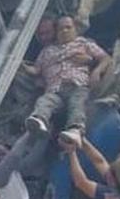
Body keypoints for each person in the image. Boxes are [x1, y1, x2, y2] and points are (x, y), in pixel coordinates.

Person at [24, 16, 112, 148]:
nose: (64, 31)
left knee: (77, 104)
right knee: (44, 102)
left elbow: (105, 58)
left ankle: (75, 130)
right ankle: (39, 120)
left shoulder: (83, 44)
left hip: (77, 85)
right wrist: (21, 65)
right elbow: (36, 70)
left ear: (75, 29)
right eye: (60, 29)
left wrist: (97, 71)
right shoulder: (46, 51)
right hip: (55, 90)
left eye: (68, 28)